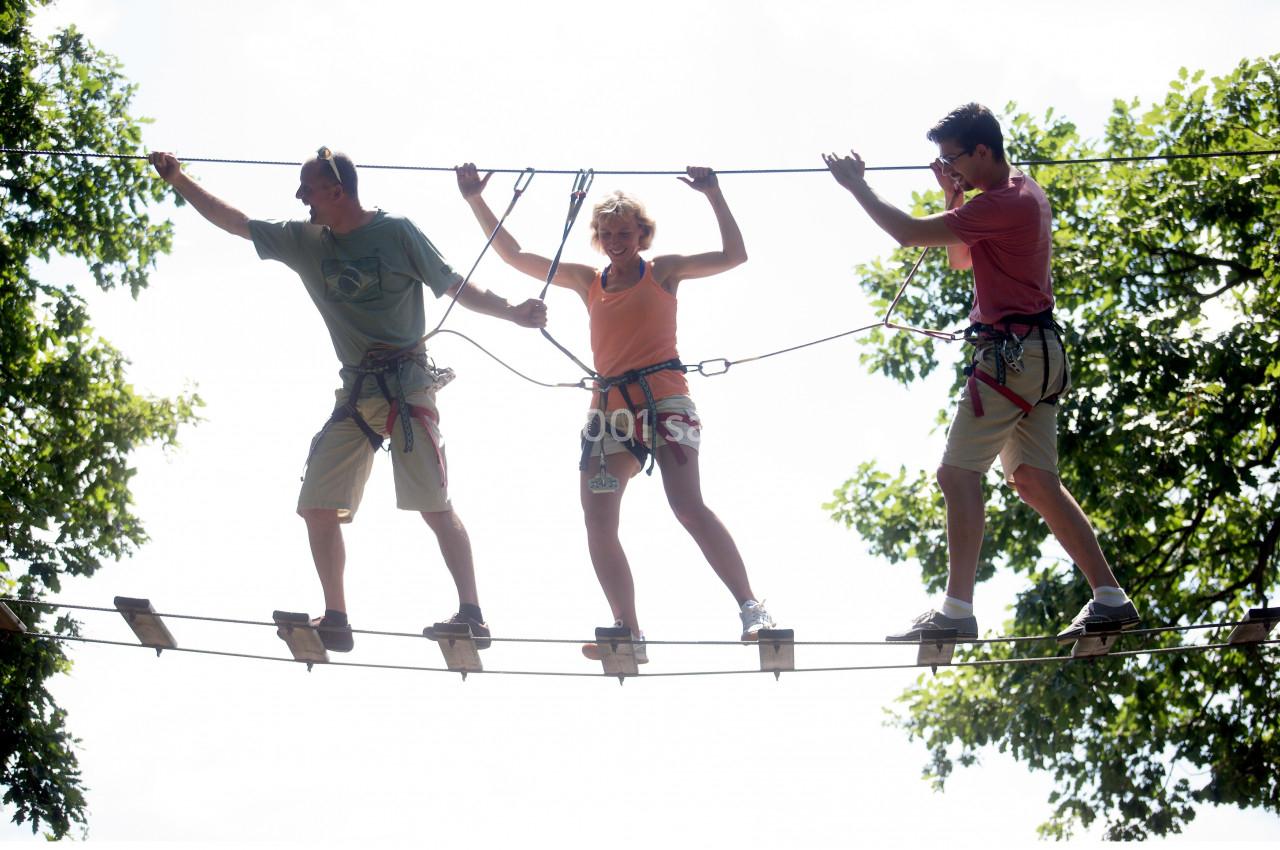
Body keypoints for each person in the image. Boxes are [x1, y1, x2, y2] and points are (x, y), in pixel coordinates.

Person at [149, 147, 547, 652]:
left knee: (434, 505)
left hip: (407, 387)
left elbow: (455, 286)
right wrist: (178, 179)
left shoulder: (397, 232)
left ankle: (473, 615)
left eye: (307, 187)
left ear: (336, 191)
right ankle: (335, 618)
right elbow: (235, 222)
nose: (299, 197)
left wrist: (513, 311)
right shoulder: (306, 241)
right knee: (317, 504)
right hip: (357, 393)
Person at [822, 103, 1140, 642]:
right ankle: (1111, 597)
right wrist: (954, 198)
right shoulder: (1015, 191)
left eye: (953, 159)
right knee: (1035, 480)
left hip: (1011, 358)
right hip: (1037, 357)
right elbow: (960, 260)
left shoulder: (1006, 201)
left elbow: (906, 234)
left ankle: (957, 611)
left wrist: (857, 186)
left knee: (956, 474)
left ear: (983, 151)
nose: (950, 168)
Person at [455, 162, 776, 662]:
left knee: (687, 506)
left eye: (624, 232)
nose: (615, 241)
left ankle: (752, 608)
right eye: (607, 234)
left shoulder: (664, 270)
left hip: (664, 399)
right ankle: (628, 629)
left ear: (642, 235)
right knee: (598, 520)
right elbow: (514, 256)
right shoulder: (588, 280)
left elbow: (736, 255)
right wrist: (476, 199)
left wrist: (713, 193)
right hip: (610, 411)